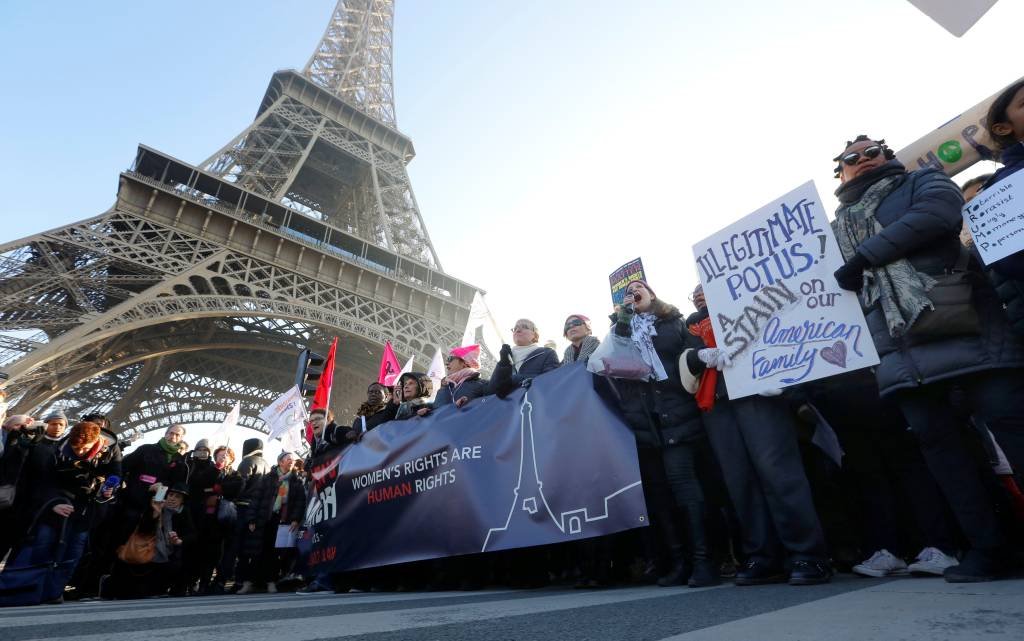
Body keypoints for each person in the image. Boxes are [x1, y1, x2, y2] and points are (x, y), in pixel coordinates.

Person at [831, 135, 1024, 581]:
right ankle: (989, 548)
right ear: (839, 173)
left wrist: (864, 257)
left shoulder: (921, 181)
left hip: (968, 328)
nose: (862, 161)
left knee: (1014, 430)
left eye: (871, 152)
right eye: (850, 159)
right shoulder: (833, 226)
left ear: (889, 156)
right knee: (943, 454)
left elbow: (938, 215)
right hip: (901, 352)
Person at [682, 292, 832, 586]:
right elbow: (682, 369)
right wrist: (697, 356)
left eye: (705, 287)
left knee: (778, 473)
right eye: (696, 291)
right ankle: (762, 556)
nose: (701, 294)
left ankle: (807, 554)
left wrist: (784, 377)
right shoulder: (692, 327)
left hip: (757, 393)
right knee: (740, 482)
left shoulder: (754, 305)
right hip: (718, 403)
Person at [606, 279, 718, 587]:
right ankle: (678, 562)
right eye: (627, 292)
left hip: (675, 416)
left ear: (653, 295)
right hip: (646, 425)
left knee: (685, 487)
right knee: (659, 495)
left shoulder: (673, 323)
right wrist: (624, 319)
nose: (633, 293)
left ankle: (703, 561)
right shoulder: (620, 331)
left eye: (639, 288)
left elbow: (688, 356)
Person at [0, 421, 115, 604]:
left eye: (84, 448)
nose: (79, 452)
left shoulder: (108, 453)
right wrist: (52, 503)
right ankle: (22, 593)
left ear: (95, 442)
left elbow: (114, 476)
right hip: (56, 509)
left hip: (83, 511)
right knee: (40, 551)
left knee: (72, 554)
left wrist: (106, 491)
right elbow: (41, 483)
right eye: (75, 447)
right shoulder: (52, 452)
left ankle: (52, 593)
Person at [102, 483, 196, 599]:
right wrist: (155, 513)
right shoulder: (156, 505)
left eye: (177, 497)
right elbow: (143, 529)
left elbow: (191, 534)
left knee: (177, 563)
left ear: (182, 501)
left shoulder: (183, 512)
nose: (173, 498)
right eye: (171, 495)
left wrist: (179, 541)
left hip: (169, 551)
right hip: (147, 547)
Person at [237, 452, 307, 594]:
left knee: (274, 555)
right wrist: (251, 519)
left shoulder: (296, 481)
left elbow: (300, 503)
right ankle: (248, 583)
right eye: (288, 459)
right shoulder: (267, 479)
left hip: (281, 521)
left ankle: (271, 582)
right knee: (255, 553)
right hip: (264, 520)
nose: (291, 462)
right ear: (280, 462)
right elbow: (256, 499)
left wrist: (295, 519)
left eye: (292, 460)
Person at [490, 319, 560, 397]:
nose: (518, 330)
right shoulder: (507, 357)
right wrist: (503, 364)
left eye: (525, 327)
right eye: (515, 328)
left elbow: (552, 381)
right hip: (508, 408)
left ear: (535, 335)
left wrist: (514, 379)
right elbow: (490, 391)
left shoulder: (547, 353)